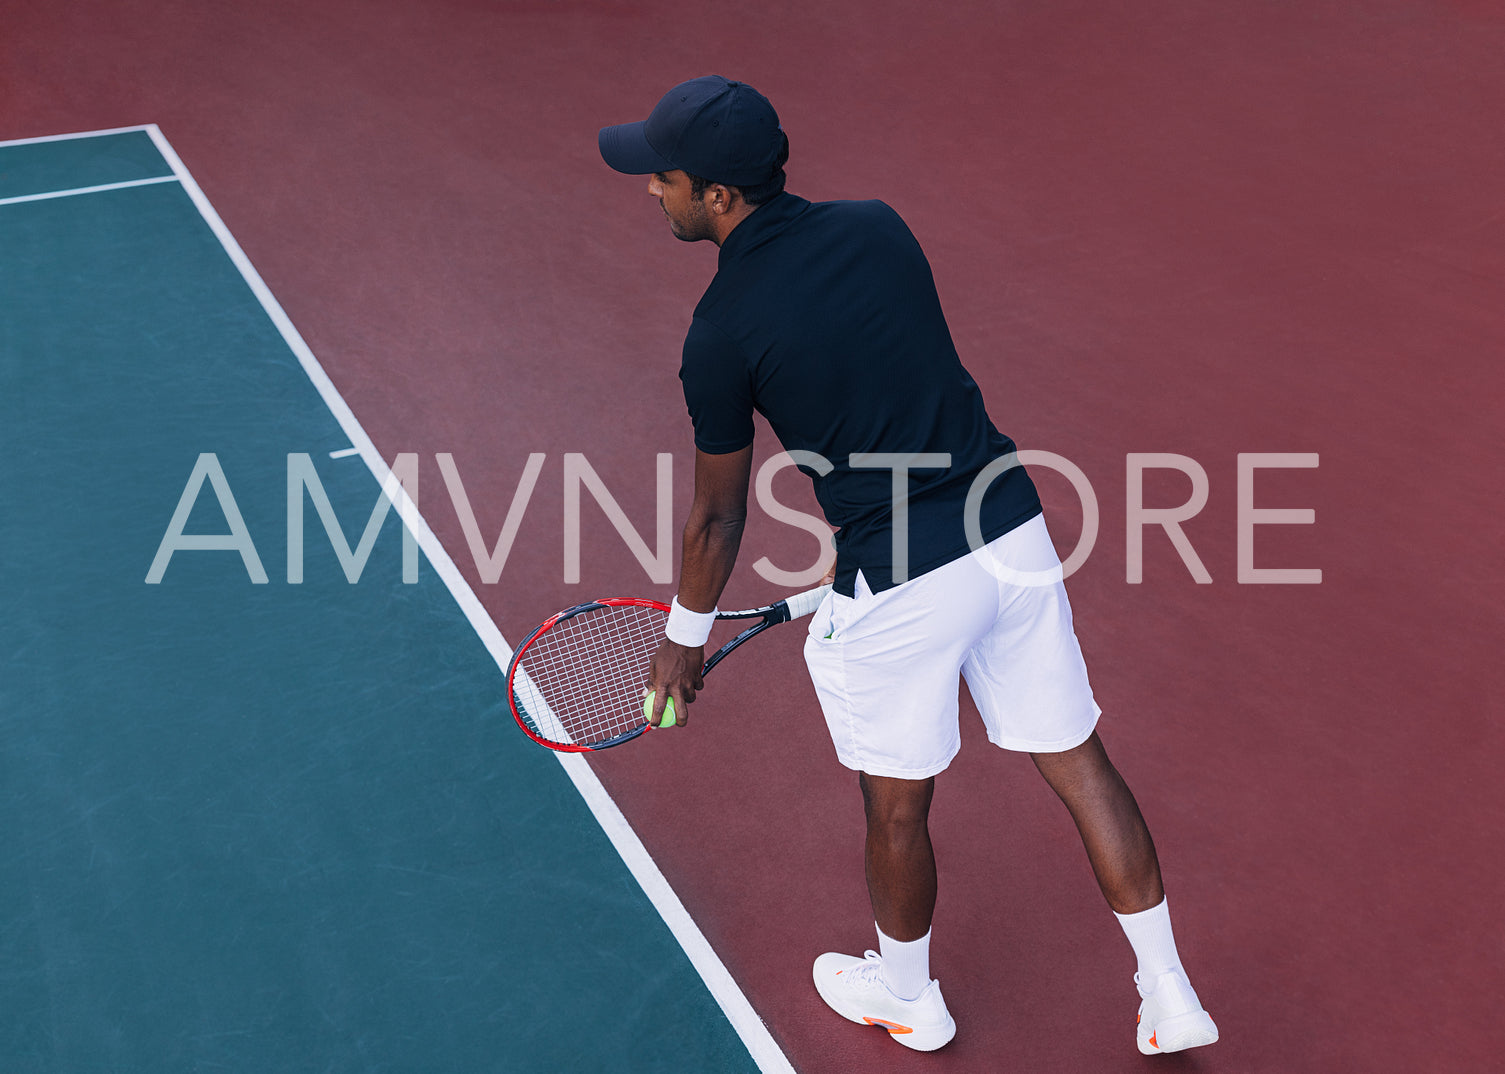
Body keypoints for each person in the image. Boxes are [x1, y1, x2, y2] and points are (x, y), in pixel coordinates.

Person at [599, 75, 1218, 1056]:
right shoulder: (879, 227)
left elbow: (718, 518)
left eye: (663, 179)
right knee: (1080, 764)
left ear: (716, 197)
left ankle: (907, 997)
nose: (650, 192)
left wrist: (680, 644)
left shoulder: (717, 334)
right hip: (1009, 534)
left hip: (898, 583)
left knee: (896, 805)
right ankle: (1167, 987)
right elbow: (891, 370)